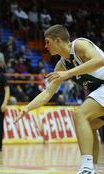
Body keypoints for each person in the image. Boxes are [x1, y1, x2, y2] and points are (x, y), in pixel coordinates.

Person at [15, 24, 104, 174]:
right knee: (90, 124)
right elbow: (48, 92)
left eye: (47, 42)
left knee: (79, 114)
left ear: (57, 40)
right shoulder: (61, 65)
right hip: (100, 91)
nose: (45, 46)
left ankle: (87, 167)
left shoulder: (80, 45)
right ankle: (91, 168)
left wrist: (68, 74)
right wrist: (27, 108)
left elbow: (100, 60)